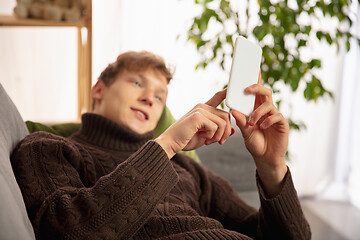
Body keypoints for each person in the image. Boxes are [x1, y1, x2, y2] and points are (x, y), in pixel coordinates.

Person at [11, 51, 311, 239]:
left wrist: (272, 168)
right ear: (99, 89)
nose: (149, 99)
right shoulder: (46, 148)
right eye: (138, 83)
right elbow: (69, 231)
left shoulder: (187, 167)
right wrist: (165, 144)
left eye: (160, 96)